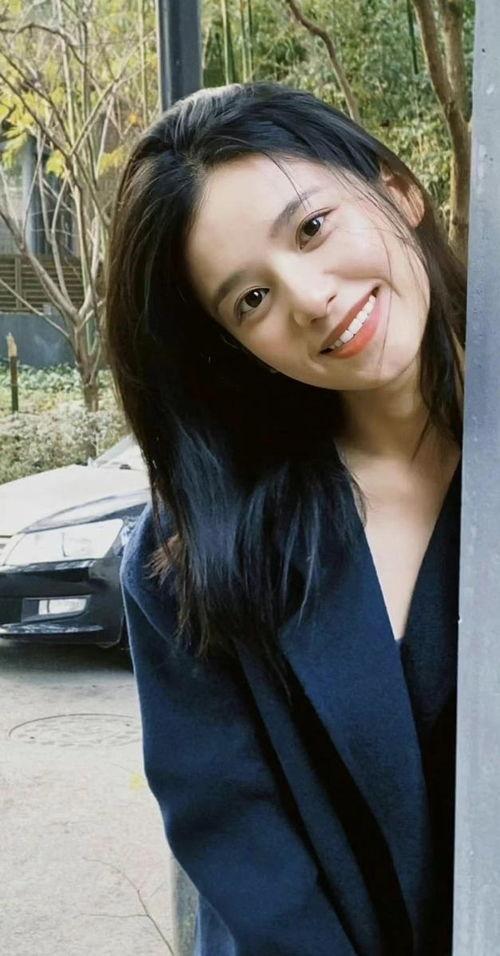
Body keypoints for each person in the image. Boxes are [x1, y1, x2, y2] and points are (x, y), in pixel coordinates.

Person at [104, 82, 465, 955]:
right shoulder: (192, 556)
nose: (308, 297)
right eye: (250, 300)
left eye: (311, 228)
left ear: (396, 189)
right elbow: (240, 844)